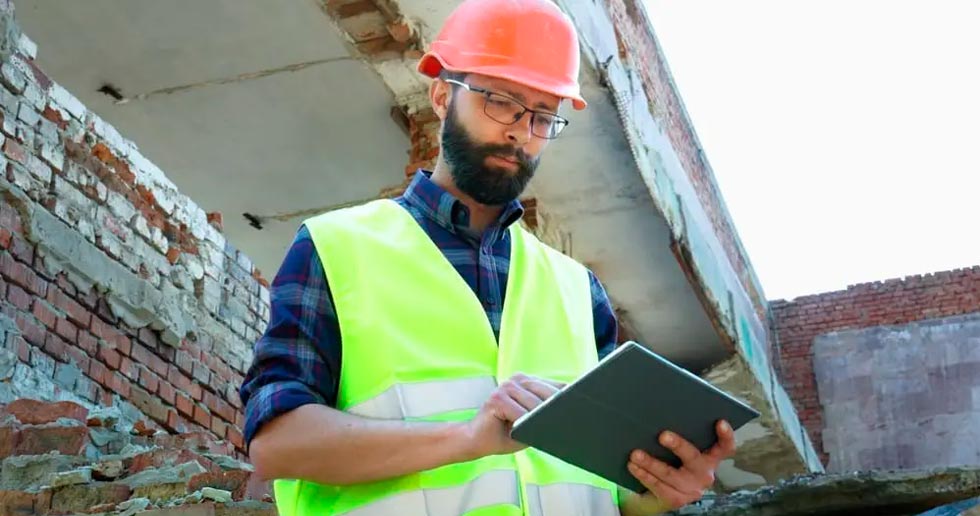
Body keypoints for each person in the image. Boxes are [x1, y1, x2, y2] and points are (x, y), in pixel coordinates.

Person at [239, 0, 736, 514]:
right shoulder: (336, 247)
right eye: (501, 101)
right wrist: (468, 438)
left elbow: (609, 494)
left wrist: (662, 489)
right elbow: (277, 443)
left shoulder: (577, 291)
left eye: (544, 116)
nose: (521, 131)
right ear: (440, 96)